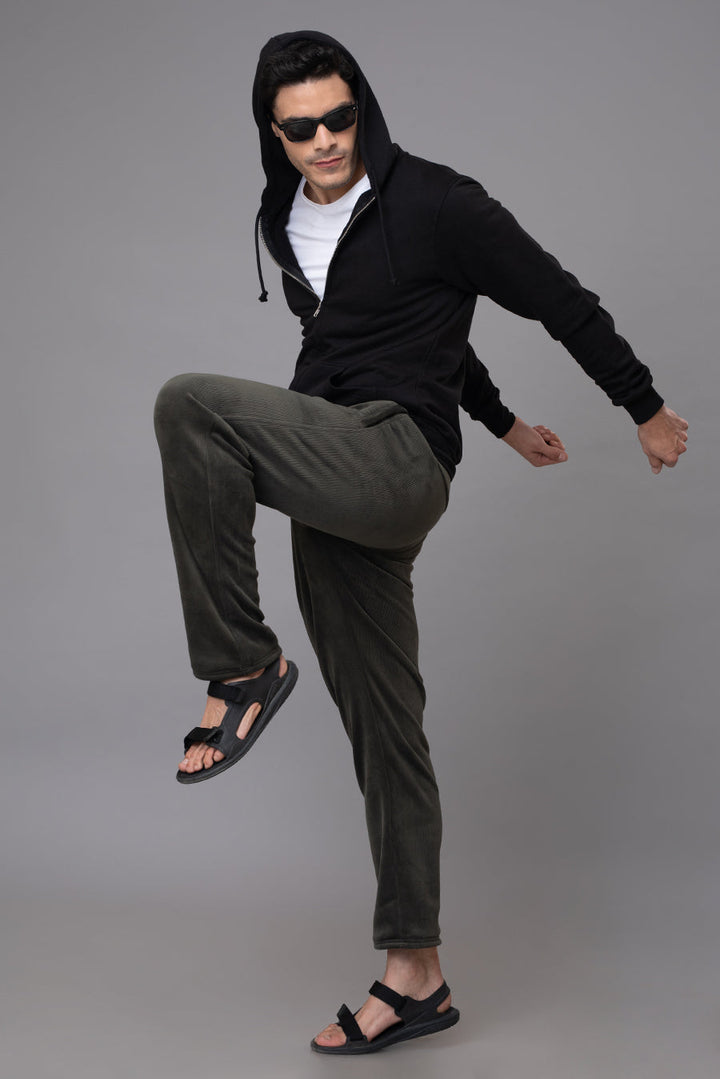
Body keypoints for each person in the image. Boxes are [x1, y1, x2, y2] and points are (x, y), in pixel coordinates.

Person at [153, 30, 688, 1055]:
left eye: (340, 118)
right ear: (273, 134)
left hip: (394, 456)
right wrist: (507, 424)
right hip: (331, 465)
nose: (325, 141)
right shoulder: (281, 220)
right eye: (301, 128)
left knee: (190, 405)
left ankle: (242, 664)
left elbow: (557, 298)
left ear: (364, 107)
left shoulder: (440, 202)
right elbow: (416, 331)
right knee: (387, 732)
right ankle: (418, 974)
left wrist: (645, 406)